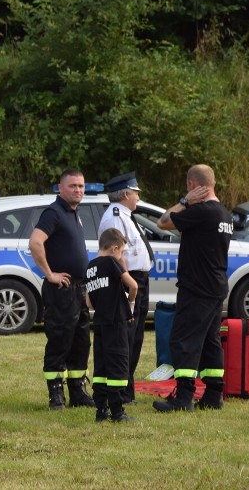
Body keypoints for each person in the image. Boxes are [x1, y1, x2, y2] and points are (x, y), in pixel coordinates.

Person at [153, 164, 233, 412]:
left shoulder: (202, 212)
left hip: (197, 287)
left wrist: (184, 201)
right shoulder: (224, 213)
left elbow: (162, 222)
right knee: (210, 341)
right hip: (215, 285)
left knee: (183, 340)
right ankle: (213, 394)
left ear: (192, 185)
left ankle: (183, 397)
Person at [29, 168, 95, 410]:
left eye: (81, 186)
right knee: (60, 340)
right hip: (62, 289)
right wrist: (49, 274)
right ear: (60, 187)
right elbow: (35, 242)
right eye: (73, 186)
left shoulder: (74, 213)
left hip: (78, 288)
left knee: (80, 341)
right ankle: (56, 394)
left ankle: (78, 391)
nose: (78, 190)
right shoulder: (54, 212)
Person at [97, 171, 154, 405]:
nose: (138, 197)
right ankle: (122, 392)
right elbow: (115, 254)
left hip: (137, 279)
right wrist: (127, 279)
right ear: (126, 193)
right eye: (136, 192)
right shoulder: (115, 216)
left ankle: (127, 390)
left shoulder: (126, 215)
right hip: (127, 279)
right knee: (126, 339)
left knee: (136, 337)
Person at [85, 228, 138, 422]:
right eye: (122, 251)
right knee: (118, 365)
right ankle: (117, 411)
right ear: (115, 248)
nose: (121, 255)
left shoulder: (90, 266)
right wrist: (130, 305)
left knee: (102, 367)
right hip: (116, 322)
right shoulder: (110, 262)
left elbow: (89, 302)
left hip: (100, 322)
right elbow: (133, 286)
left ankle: (101, 410)